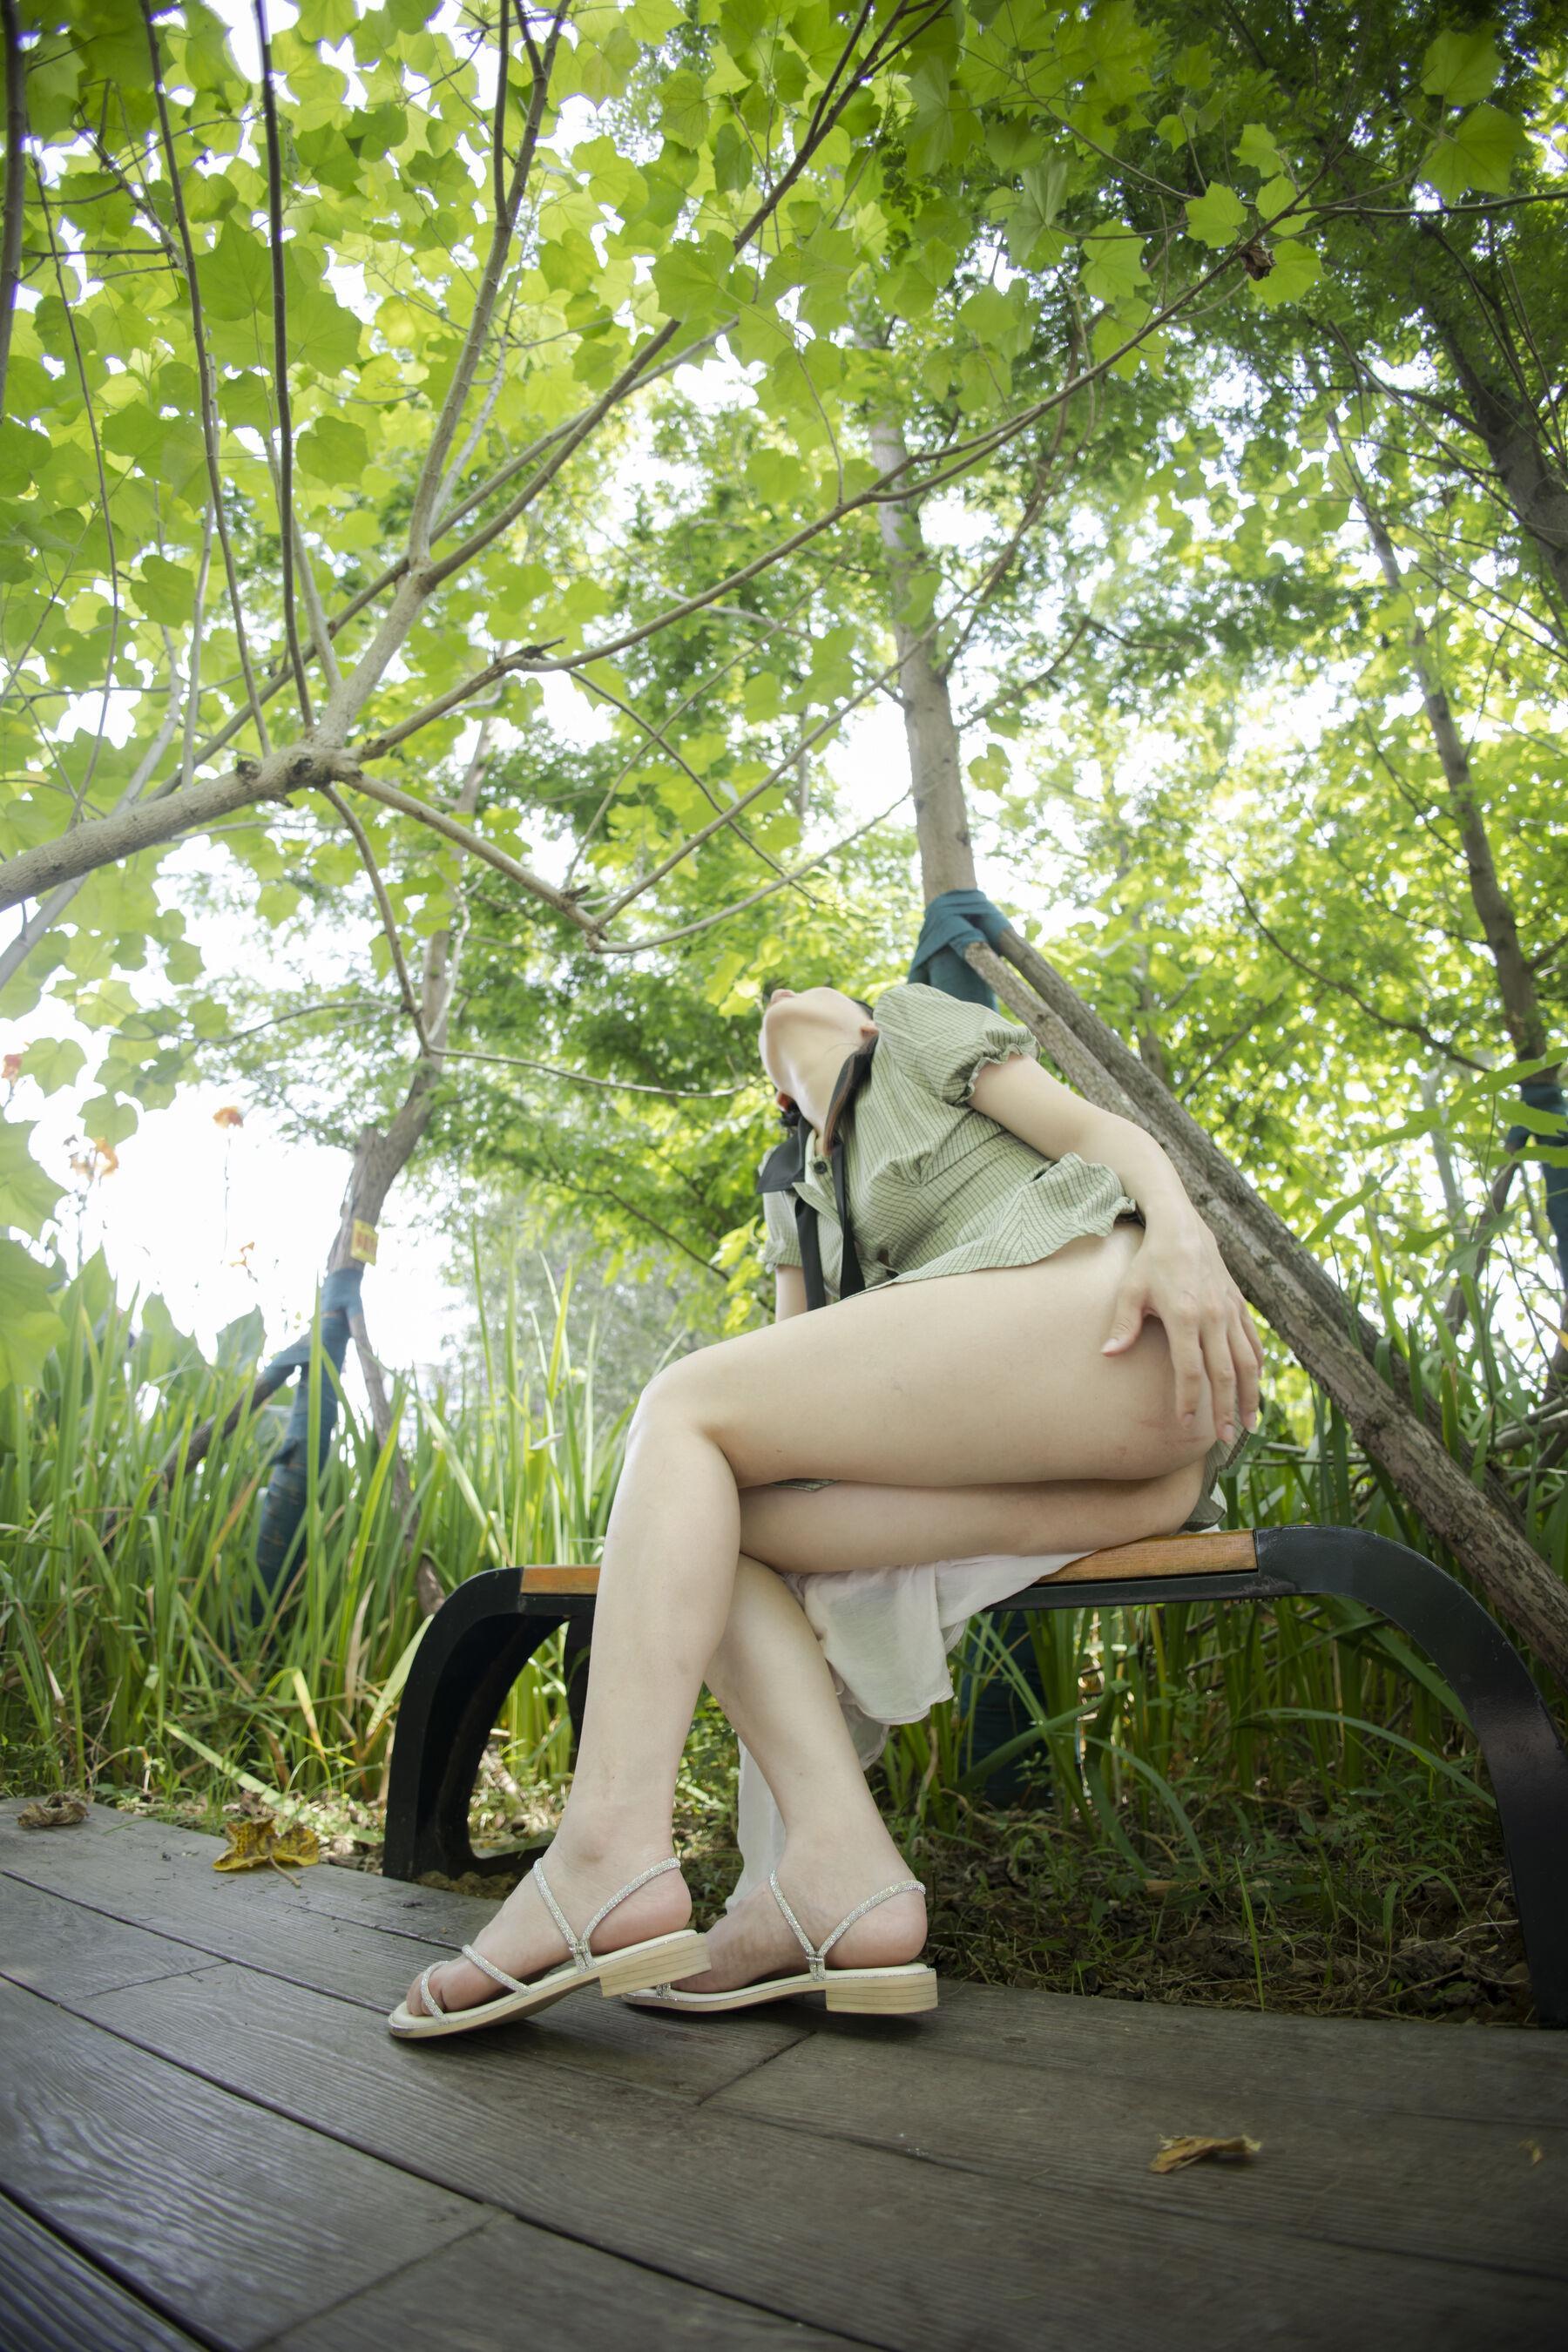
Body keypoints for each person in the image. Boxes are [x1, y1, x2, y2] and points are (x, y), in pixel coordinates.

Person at [391, 980, 1263, 2036]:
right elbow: (786, 1372)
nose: (778, 998)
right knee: (722, 1522)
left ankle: (605, 1850)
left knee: (680, 1405)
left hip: (1117, 1316)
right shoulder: (801, 1191)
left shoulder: (910, 1024)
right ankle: (840, 1871)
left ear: (858, 1018)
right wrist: (793, 1214)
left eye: (803, 990)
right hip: (1086, 1463)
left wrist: (1180, 1235)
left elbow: (1091, 1130)